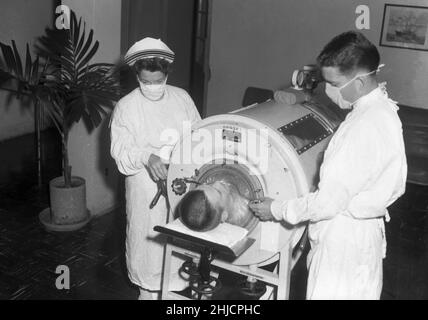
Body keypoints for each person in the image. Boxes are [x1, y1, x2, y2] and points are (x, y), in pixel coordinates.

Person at [249, 31, 407, 300]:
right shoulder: (384, 111)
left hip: (343, 243)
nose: (328, 90)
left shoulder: (362, 127)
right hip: (363, 234)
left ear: (359, 81)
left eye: (333, 83)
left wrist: (276, 208)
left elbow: (327, 204)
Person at [110, 37, 201, 300]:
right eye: (146, 82)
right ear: (136, 74)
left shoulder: (181, 98)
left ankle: (176, 295)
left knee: (182, 242)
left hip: (182, 182)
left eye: (158, 81)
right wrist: (147, 157)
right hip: (145, 187)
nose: (153, 87)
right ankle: (148, 293)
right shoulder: (126, 107)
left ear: (167, 74)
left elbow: (198, 134)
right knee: (148, 245)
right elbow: (120, 152)